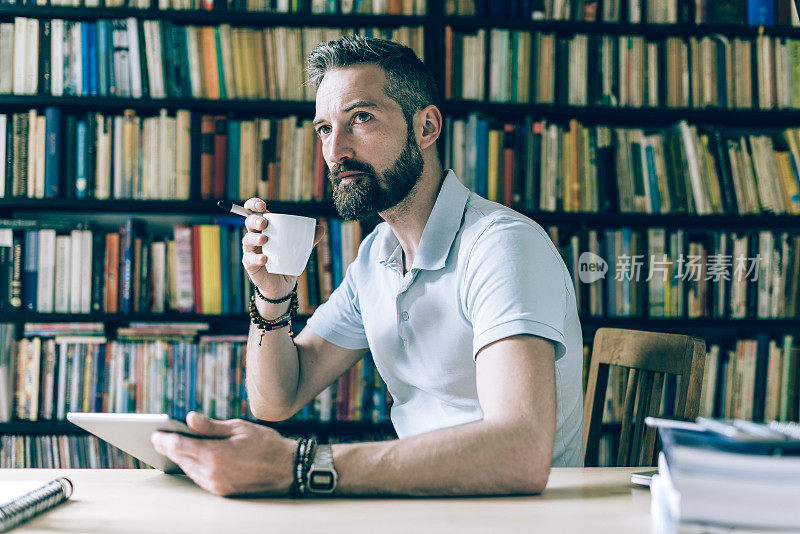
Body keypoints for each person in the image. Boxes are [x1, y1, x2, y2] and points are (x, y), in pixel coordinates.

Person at [151, 35, 583, 497]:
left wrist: (300, 465)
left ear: (427, 128)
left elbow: (520, 453)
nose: (335, 151)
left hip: (525, 516)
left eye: (361, 118)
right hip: (424, 507)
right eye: (323, 129)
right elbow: (276, 399)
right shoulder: (377, 254)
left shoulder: (501, 246)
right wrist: (273, 295)